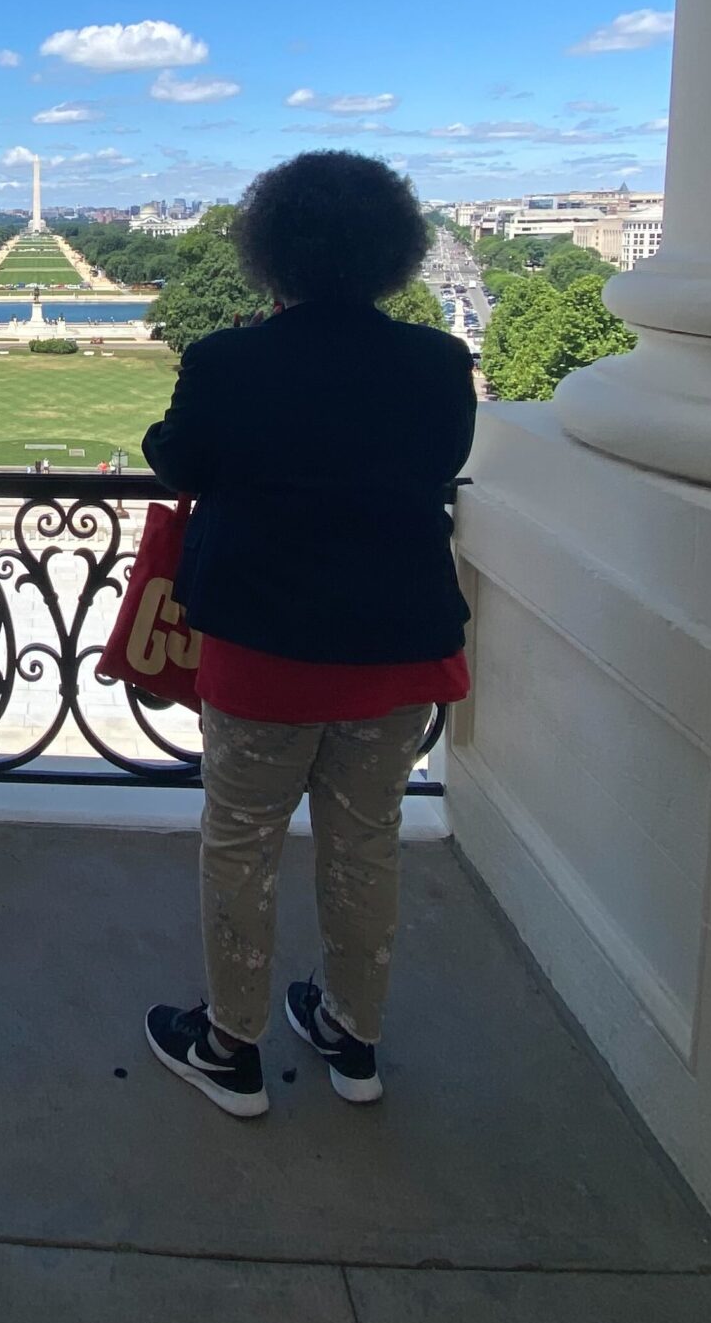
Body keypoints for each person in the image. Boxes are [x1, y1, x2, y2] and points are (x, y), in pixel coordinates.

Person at [140, 152, 474, 1118]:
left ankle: (230, 1046)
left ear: (270, 249)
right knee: (366, 844)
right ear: (391, 252)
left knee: (241, 842)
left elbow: (173, 460)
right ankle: (352, 1037)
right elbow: (437, 460)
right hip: (399, 645)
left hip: (264, 645)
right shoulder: (439, 362)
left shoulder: (232, 360)